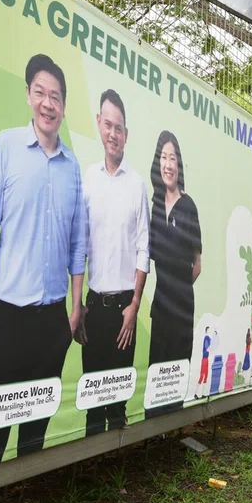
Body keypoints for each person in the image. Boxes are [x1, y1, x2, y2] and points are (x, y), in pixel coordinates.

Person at [0, 55, 87, 469]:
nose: (48, 103)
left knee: (34, 431)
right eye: (40, 92)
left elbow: (77, 245)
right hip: (4, 318)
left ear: (65, 105)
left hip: (52, 322)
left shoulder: (73, 167)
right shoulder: (6, 146)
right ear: (28, 95)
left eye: (55, 96)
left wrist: (73, 310)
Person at [77, 89, 149, 435]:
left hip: (124, 311)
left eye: (119, 128)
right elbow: (80, 246)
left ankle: (120, 478)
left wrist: (134, 305)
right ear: (98, 124)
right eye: (108, 125)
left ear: (126, 134)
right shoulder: (87, 180)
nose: (113, 134)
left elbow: (143, 249)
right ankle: (90, 482)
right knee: (92, 398)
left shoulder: (136, 185)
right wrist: (77, 305)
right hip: (93, 308)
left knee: (117, 400)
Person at [145, 131, 202, 418]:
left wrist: (178, 288)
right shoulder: (153, 205)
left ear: (179, 165)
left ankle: (171, 435)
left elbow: (197, 264)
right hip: (160, 306)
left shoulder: (188, 205)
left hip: (181, 308)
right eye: (163, 157)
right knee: (156, 376)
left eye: (173, 158)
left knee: (176, 375)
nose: (168, 164)